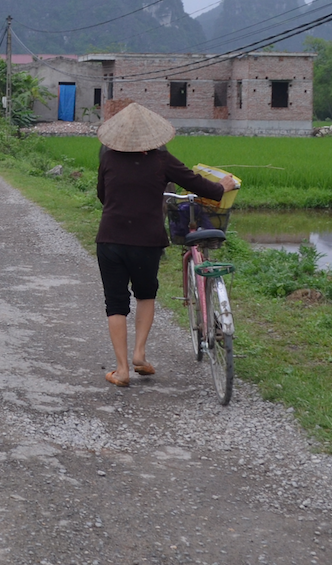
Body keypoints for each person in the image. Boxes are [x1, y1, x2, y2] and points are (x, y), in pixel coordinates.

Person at [94, 102, 239, 386]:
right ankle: (139, 354)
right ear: (153, 136)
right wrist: (224, 184)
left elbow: (103, 196)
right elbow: (202, 186)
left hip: (109, 239)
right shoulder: (162, 160)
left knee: (115, 303)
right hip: (146, 242)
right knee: (146, 294)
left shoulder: (109, 158)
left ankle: (122, 371)